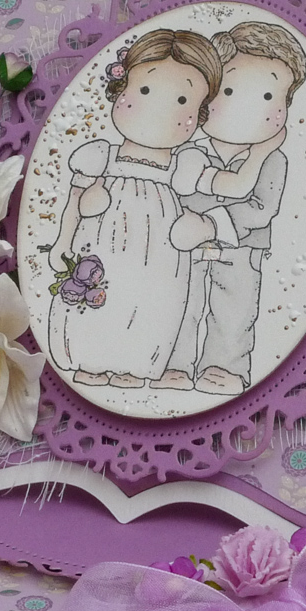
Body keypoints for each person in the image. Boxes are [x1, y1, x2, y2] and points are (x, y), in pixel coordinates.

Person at [48, 29, 222, 388]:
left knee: (153, 297)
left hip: (160, 247)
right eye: (144, 91)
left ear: (200, 113)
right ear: (121, 88)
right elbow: (73, 203)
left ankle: (135, 365)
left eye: (182, 100)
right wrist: (62, 243)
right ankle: (89, 358)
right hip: (101, 240)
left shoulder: (183, 166)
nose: (160, 108)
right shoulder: (99, 156)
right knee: (100, 290)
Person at [153, 21, 306, 395]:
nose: (248, 107)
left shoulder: (274, 161)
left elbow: (261, 208)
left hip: (242, 249)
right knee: (179, 301)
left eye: (269, 97)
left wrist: (212, 224)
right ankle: (173, 364)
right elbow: (178, 189)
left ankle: (224, 367)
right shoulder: (188, 151)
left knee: (234, 309)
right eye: (231, 91)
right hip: (185, 248)